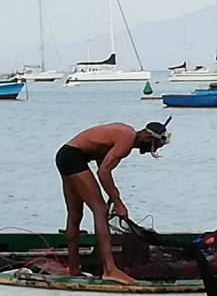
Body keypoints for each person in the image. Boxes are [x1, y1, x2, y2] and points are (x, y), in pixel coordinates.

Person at [55, 120, 172, 284]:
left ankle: (74, 268)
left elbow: (100, 161)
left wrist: (112, 194)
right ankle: (109, 269)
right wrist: (118, 203)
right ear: (147, 138)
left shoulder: (125, 135)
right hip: (74, 158)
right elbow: (103, 173)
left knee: (75, 213)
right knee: (100, 210)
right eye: (155, 146)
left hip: (65, 156)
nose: (151, 151)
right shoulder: (127, 138)